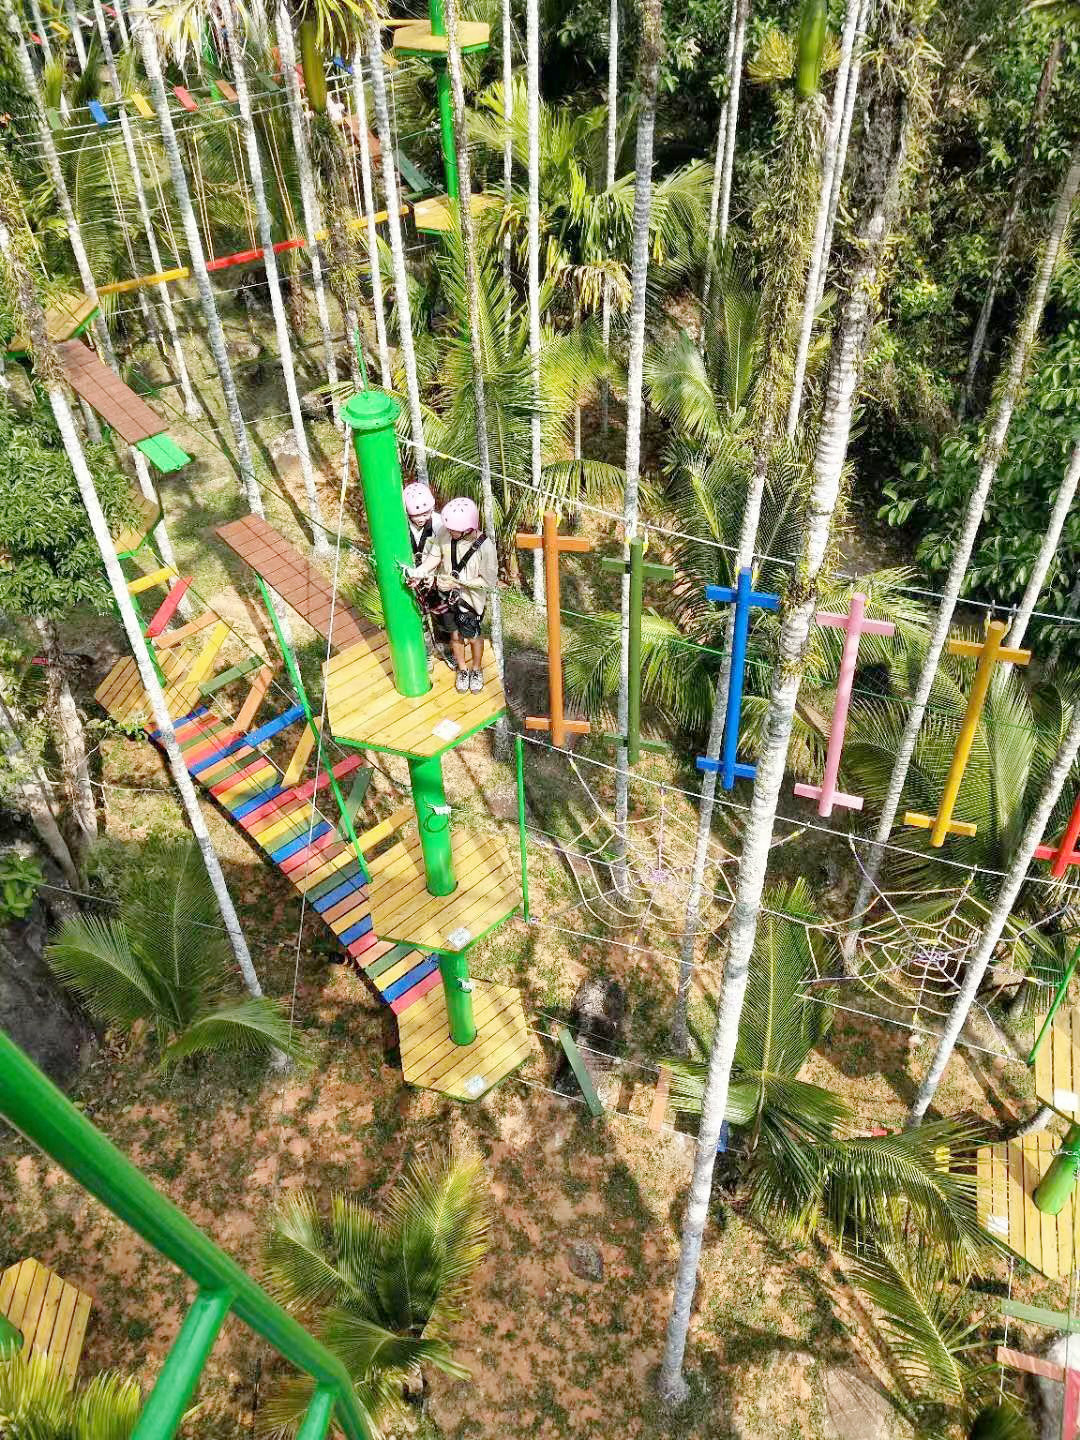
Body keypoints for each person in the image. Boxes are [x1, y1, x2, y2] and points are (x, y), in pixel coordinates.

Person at [407, 497, 497, 694]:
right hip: (446, 596)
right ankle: (463, 669)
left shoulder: (485, 547)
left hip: (470, 600)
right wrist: (420, 571)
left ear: (468, 529)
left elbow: (488, 581)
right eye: (448, 528)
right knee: (454, 635)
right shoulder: (445, 533)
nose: (449, 532)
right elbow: (434, 557)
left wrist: (458, 582)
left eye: (454, 530)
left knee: (473, 636)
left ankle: (476, 669)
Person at [402, 482, 451, 669]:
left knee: (444, 616)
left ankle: (447, 650)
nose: (422, 518)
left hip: (435, 577)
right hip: (412, 578)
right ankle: (426, 654)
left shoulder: (439, 524)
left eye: (426, 513)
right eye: (417, 515)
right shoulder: (402, 525)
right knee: (419, 619)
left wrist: (434, 574)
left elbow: (445, 554)